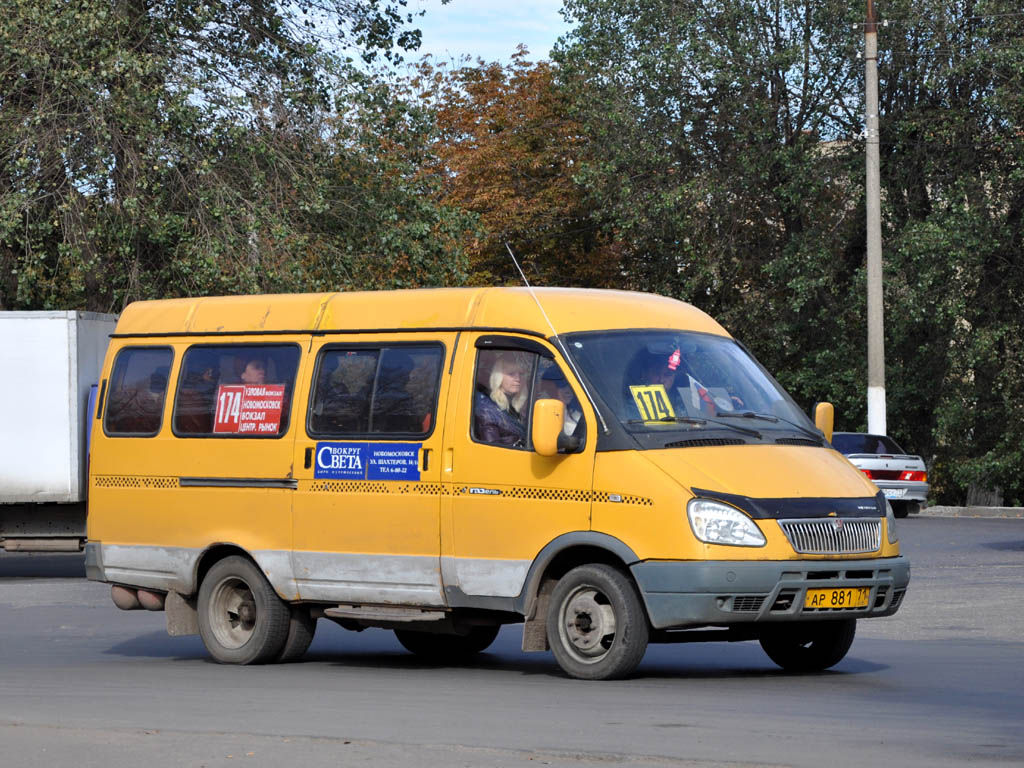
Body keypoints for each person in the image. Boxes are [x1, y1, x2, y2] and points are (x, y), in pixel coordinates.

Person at [474, 353, 529, 447]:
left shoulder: (518, 404)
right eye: (511, 374)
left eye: (521, 374)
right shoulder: (487, 411)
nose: (518, 379)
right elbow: (492, 451)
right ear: (498, 378)